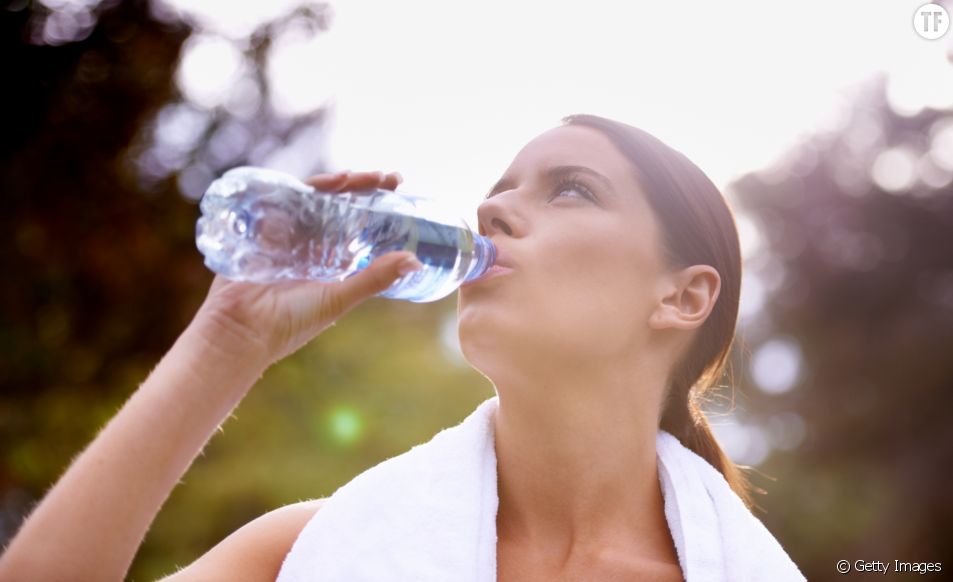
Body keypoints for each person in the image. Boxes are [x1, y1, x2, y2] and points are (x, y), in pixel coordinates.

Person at [0, 115, 781, 581]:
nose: (492, 208)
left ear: (682, 296)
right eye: (500, 187)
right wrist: (227, 341)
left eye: (569, 188)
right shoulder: (308, 550)